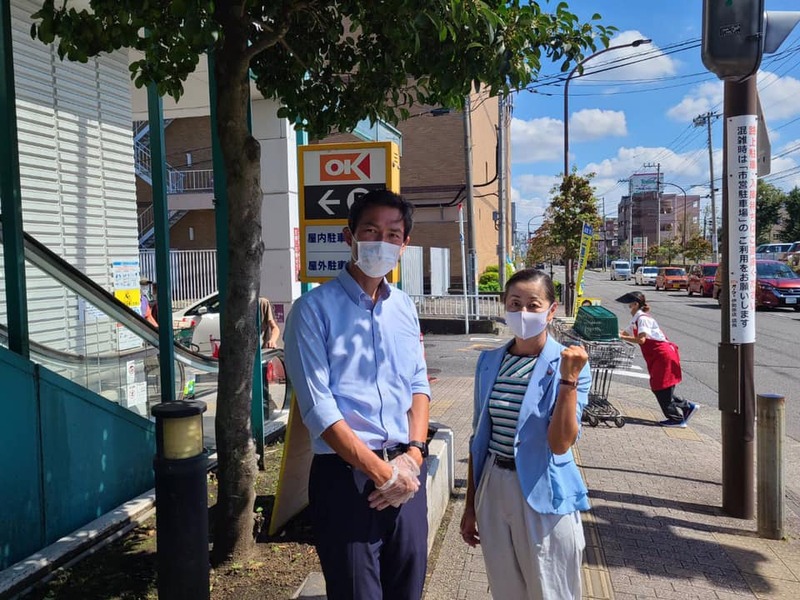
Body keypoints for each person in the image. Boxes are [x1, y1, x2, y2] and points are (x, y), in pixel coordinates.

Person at [284, 190, 431, 600]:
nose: (381, 241)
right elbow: (319, 409)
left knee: (408, 588)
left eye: (393, 234)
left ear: (404, 245)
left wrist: (413, 456)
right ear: (349, 235)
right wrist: (382, 474)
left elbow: (418, 385)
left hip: (406, 470)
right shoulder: (313, 310)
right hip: (346, 479)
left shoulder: (404, 306)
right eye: (371, 230)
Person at [460, 268, 592, 600]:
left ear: (552, 310)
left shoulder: (569, 364)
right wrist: (471, 505)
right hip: (493, 485)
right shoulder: (490, 361)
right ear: (504, 306)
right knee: (505, 589)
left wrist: (568, 381)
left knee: (550, 590)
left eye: (534, 305)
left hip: (542, 490)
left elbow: (560, 443)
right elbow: (480, 438)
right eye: (515, 303)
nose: (523, 313)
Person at [616, 291, 699, 427]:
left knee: (660, 387)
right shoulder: (636, 318)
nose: (628, 308)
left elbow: (641, 339)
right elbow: (624, 332)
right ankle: (687, 406)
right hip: (658, 355)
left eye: (629, 305)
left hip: (663, 354)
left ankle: (677, 419)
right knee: (662, 387)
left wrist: (622, 337)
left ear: (636, 304)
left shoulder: (643, 319)